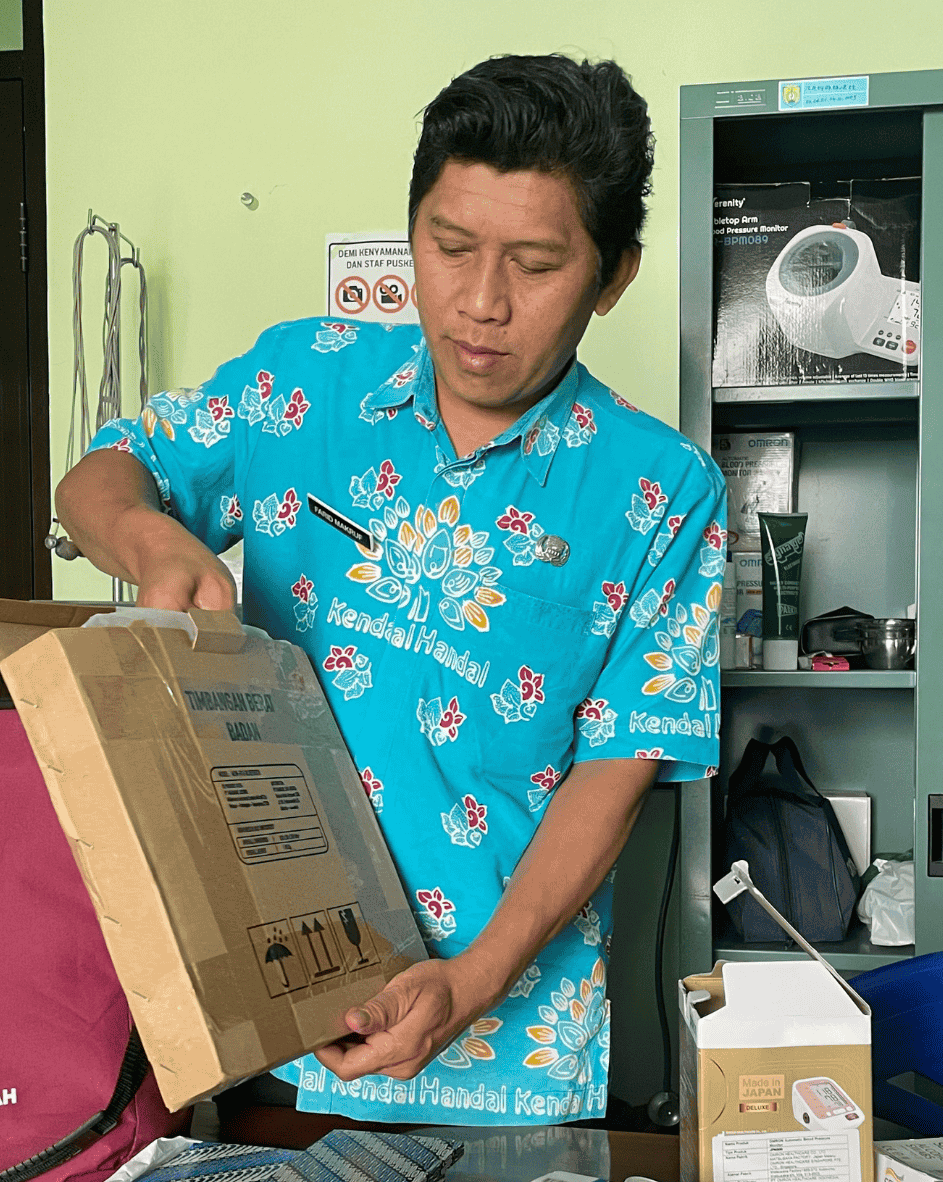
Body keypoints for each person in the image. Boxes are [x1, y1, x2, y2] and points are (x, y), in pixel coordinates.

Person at [55, 53, 725, 1125]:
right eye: (450, 248)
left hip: (513, 1053)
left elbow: (619, 764)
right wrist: (150, 542)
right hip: (270, 1023)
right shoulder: (301, 382)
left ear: (614, 277)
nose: (481, 303)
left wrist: (473, 981)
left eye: (536, 265)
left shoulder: (660, 488)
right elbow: (103, 476)